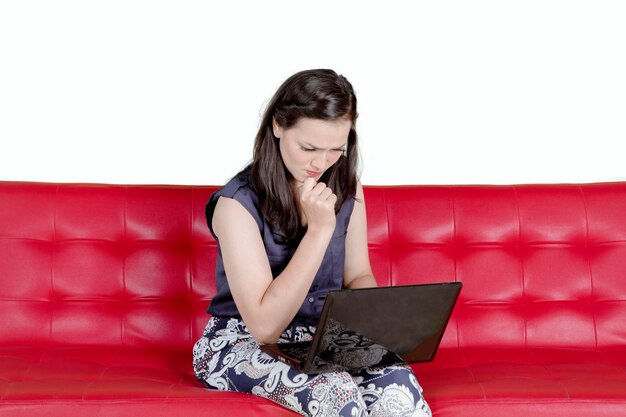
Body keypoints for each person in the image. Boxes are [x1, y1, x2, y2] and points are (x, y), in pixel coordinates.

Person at [193, 69, 431, 417]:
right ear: (277, 126)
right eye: (309, 148)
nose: (321, 163)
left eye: (336, 148)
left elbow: (358, 276)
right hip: (241, 341)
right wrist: (319, 232)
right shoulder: (236, 205)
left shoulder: (347, 185)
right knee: (335, 393)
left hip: (325, 336)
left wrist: (377, 330)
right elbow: (264, 326)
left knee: (398, 392)